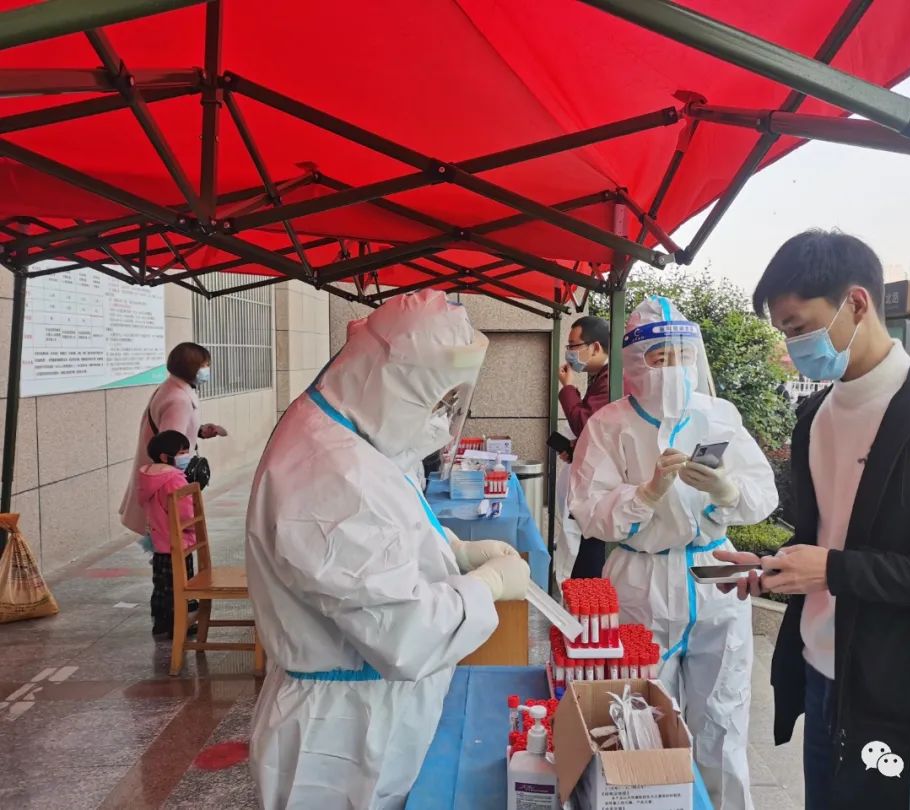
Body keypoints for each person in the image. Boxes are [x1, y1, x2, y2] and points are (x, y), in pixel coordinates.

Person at [717, 230, 910, 810]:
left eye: (800, 325)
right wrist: (775, 568)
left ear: (857, 303)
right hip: (817, 675)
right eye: (784, 332)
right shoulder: (814, 417)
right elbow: (825, 543)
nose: (795, 343)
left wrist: (835, 571)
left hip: (902, 698)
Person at [246, 290, 531, 810]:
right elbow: (405, 632)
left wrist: (453, 552)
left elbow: (389, 527)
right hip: (342, 737)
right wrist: (484, 586)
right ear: (393, 379)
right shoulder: (328, 476)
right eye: (436, 400)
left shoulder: (349, 431)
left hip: (370, 713)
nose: (443, 421)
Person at [569, 296, 778, 809]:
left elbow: (762, 494)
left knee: (723, 723)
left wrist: (728, 492)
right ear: (637, 364)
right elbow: (588, 509)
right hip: (640, 578)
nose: (674, 368)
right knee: (638, 722)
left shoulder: (718, 415)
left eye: (683, 356)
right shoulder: (609, 425)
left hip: (712, 574)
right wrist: (643, 495)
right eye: (661, 357)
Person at [119, 342, 227, 536]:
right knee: (170, 544)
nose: (207, 369)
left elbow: (172, 433)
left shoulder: (171, 388)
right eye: (204, 365)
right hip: (168, 484)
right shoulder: (179, 398)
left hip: (161, 479)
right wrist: (178, 481)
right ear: (191, 368)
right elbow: (170, 446)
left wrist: (200, 431)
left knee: (163, 541)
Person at [555, 315, 611, 581]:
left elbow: (585, 424)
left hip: (605, 490)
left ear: (596, 347)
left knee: (590, 561)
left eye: (574, 346)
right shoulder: (600, 377)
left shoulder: (611, 379)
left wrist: (568, 388)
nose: (570, 353)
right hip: (597, 483)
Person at [138, 430, 198, 640]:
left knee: (162, 586)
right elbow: (186, 513)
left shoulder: (149, 477)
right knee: (181, 585)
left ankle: (161, 623)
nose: (187, 456)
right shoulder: (174, 479)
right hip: (179, 543)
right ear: (165, 457)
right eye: (182, 452)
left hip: (160, 543)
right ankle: (179, 625)